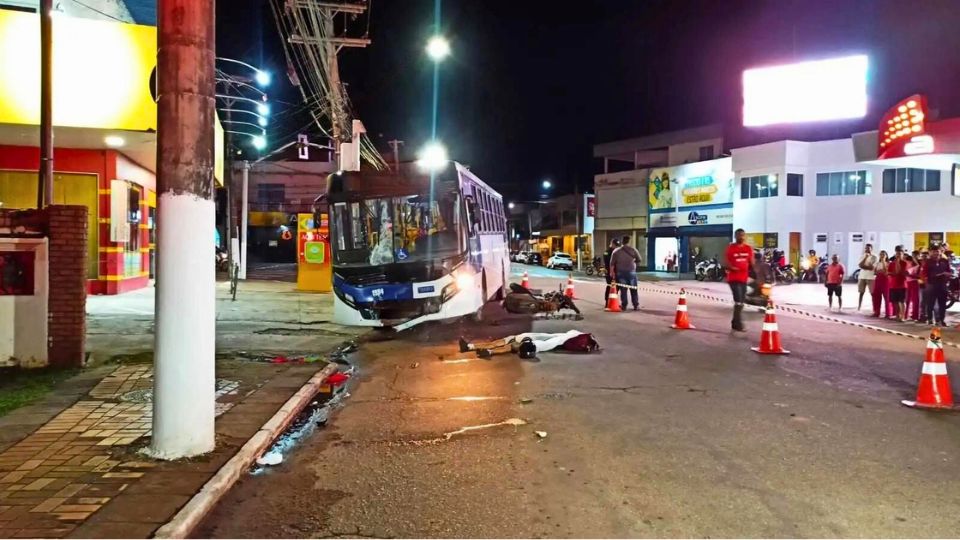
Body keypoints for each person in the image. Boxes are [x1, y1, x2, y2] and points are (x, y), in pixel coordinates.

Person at [724, 228, 754, 331]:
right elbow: (726, 263)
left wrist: (757, 274)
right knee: (738, 300)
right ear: (735, 236)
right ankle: (738, 324)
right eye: (739, 235)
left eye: (743, 235)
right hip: (733, 279)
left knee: (741, 301)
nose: (741, 237)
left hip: (743, 279)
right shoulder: (730, 248)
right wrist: (731, 268)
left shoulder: (748, 249)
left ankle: (734, 322)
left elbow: (751, 262)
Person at [923, 244, 953, 326]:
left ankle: (941, 320)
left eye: (937, 251)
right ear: (931, 252)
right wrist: (927, 282)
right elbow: (924, 274)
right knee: (930, 303)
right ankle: (929, 319)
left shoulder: (944, 261)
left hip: (942, 285)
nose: (936, 253)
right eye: (934, 251)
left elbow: (949, 271)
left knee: (942, 304)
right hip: (931, 285)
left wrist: (947, 274)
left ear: (940, 251)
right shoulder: (928, 262)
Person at [610, 235, 642, 311]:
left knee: (623, 290)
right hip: (631, 272)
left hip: (620, 272)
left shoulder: (616, 251)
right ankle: (635, 305)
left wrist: (612, 273)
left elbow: (612, 263)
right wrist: (634, 265)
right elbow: (639, 259)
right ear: (629, 241)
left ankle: (624, 305)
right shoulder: (633, 250)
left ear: (622, 241)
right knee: (633, 289)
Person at [888, 250, 908, 321]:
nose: (898, 255)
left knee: (902, 301)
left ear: (902, 255)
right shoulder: (891, 263)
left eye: (899, 254)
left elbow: (898, 271)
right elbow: (889, 272)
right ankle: (897, 315)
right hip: (893, 284)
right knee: (895, 301)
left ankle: (902, 316)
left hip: (902, 285)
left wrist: (898, 263)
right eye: (897, 254)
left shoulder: (904, 263)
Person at [856, 244, 877, 311]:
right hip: (862, 276)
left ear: (871, 249)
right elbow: (860, 265)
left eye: (868, 248)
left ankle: (874, 308)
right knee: (861, 292)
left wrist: (864, 266)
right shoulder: (863, 256)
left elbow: (872, 267)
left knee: (872, 293)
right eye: (866, 248)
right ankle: (859, 307)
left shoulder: (874, 257)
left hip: (870, 277)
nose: (867, 250)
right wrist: (865, 258)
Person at [871, 250, 890, 318]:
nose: (882, 256)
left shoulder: (888, 263)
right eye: (881, 254)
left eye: (883, 254)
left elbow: (886, 271)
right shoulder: (877, 263)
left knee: (887, 297)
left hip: (885, 280)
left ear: (886, 256)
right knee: (876, 296)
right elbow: (874, 272)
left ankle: (888, 313)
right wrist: (879, 271)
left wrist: (883, 261)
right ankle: (876, 312)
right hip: (878, 280)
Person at [602, 238, 620, 304]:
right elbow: (608, 262)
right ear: (612, 244)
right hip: (609, 272)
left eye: (617, 245)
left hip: (616, 272)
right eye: (616, 245)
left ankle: (613, 301)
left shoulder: (616, 251)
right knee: (610, 286)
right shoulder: (607, 252)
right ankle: (607, 301)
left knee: (617, 287)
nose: (617, 247)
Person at [906, 251, 921, 322]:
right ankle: (906, 314)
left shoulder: (920, 263)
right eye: (913, 255)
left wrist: (911, 275)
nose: (914, 257)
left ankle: (916, 315)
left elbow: (920, 275)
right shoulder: (910, 262)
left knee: (915, 300)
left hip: (915, 282)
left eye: (916, 255)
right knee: (907, 299)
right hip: (908, 282)